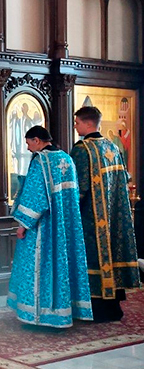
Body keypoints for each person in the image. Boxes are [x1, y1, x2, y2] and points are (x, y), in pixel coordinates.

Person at [8, 126, 92, 327]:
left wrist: (22, 225)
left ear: (37, 140)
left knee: (40, 266)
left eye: (29, 143)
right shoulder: (66, 158)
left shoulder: (41, 161)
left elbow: (36, 199)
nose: (28, 148)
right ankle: (64, 312)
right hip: (66, 226)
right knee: (62, 265)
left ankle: (40, 315)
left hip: (43, 228)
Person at [71, 106, 139, 322]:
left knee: (92, 257)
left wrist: (68, 212)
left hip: (90, 218)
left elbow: (78, 188)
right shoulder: (112, 146)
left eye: (77, 123)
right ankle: (113, 307)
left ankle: (94, 309)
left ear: (88, 123)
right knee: (111, 253)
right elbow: (125, 178)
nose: (75, 126)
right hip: (114, 217)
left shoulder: (82, 149)